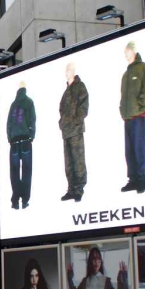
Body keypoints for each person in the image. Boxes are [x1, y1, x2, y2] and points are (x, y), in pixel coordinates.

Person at [119, 41, 145, 193]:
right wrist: (121, 109)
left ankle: (141, 180)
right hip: (127, 118)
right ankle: (132, 180)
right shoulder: (126, 74)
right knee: (129, 150)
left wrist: (141, 104)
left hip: (138, 115)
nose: (125, 54)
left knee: (139, 148)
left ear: (132, 51)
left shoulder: (141, 68)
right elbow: (122, 95)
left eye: (126, 51)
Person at [57, 62, 88, 202]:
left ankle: (79, 190)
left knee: (78, 160)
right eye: (66, 69)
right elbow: (61, 110)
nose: (66, 71)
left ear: (74, 71)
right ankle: (71, 189)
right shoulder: (66, 91)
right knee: (68, 163)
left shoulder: (80, 87)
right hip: (66, 132)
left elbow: (84, 106)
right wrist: (61, 123)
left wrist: (76, 120)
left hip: (75, 130)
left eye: (68, 69)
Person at [5, 79, 36, 209]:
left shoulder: (13, 105)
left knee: (14, 171)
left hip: (14, 142)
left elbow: (9, 124)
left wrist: (10, 138)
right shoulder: (29, 102)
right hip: (25, 141)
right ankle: (25, 200)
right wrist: (31, 135)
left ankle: (15, 201)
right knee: (27, 170)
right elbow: (32, 120)